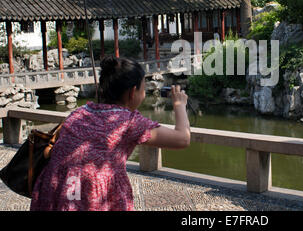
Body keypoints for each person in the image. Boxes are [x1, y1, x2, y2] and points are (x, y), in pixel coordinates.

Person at [30, 56, 191, 211]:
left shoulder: (78, 113)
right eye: (143, 88)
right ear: (132, 92)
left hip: (55, 189)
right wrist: (179, 104)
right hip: (91, 194)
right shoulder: (128, 122)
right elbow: (182, 139)